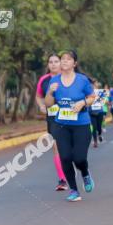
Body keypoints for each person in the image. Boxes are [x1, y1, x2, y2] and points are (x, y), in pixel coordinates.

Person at [44, 50, 96, 202]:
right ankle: (74, 189)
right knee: (65, 157)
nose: (65, 61)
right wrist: (50, 93)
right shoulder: (54, 82)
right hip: (62, 125)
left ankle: (85, 173)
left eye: (68, 59)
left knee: (79, 158)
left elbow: (92, 97)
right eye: (62, 59)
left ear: (75, 63)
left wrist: (82, 102)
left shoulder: (82, 80)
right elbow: (48, 104)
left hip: (81, 124)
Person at [35, 53, 68, 191]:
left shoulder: (67, 77)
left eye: (56, 61)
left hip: (68, 117)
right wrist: (42, 106)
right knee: (55, 147)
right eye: (50, 62)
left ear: (61, 63)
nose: (53, 64)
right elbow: (38, 96)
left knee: (68, 149)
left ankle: (72, 169)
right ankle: (62, 179)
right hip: (52, 118)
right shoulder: (44, 80)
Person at [89, 79, 108, 148]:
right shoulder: (88, 92)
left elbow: (105, 102)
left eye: (95, 83)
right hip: (91, 112)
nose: (93, 85)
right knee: (94, 127)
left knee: (99, 127)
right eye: (92, 84)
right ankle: (95, 141)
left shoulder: (101, 92)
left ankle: (99, 134)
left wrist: (103, 99)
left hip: (100, 112)